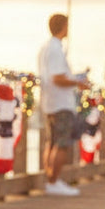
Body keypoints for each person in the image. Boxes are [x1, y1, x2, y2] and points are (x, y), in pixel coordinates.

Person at [37, 13, 90, 197]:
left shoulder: (46, 48)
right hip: (60, 103)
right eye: (67, 25)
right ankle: (53, 181)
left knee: (51, 142)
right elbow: (58, 78)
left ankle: (51, 180)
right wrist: (78, 83)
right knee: (62, 144)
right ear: (62, 26)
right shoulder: (55, 49)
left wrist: (76, 78)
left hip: (49, 101)